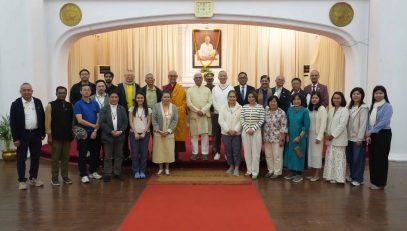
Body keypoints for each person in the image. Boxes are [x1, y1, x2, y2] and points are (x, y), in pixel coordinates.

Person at [10, 83, 45, 190]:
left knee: (35, 158)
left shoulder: (38, 102)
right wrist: (15, 138)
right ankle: (21, 180)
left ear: (32, 91)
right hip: (22, 135)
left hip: (35, 134)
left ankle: (33, 178)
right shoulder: (16, 104)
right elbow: (13, 122)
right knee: (21, 158)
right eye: (24, 90)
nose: (26, 92)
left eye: (29, 90)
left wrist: (42, 133)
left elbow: (42, 118)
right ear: (20, 92)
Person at [45, 86, 74, 186]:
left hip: (67, 136)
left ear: (66, 94)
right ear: (56, 93)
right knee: (55, 158)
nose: (62, 94)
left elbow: (72, 121)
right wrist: (49, 135)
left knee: (66, 158)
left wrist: (73, 133)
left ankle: (65, 176)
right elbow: (47, 122)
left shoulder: (70, 105)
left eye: (64, 93)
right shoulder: (50, 105)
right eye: (60, 92)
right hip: (56, 137)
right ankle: (54, 178)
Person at [366, 85, 393, 190]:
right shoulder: (373, 105)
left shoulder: (387, 106)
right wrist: (369, 133)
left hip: (383, 134)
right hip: (373, 134)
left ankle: (380, 183)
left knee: (381, 159)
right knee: (372, 158)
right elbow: (369, 121)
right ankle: (374, 182)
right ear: (373, 94)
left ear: (384, 94)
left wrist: (371, 132)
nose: (378, 95)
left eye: (380, 93)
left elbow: (384, 122)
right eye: (376, 93)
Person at [74, 84, 102, 183]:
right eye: (84, 90)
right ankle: (83, 174)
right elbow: (80, 120)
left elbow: (99, 117)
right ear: (81, 92)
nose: (86, 92)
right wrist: (93, 126)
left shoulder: (95, 103)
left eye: (88, 90)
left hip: (94, 133)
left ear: (91, 92)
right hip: (83, 133)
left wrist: (95, 130)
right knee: (83, 154)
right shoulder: (78, 104)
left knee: (95, 153)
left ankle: (93, 171)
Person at [99, 92, 128, 182]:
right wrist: (111, 131)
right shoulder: (104, 109)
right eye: (112, 97)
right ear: (109, 98)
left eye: (116, 97)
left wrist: (120, 131)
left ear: (118, 98)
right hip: (108, 136)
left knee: (119, 155)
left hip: (120, 136)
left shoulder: (122, 109)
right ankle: (107, 174)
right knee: (107, 156)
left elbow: (125, 122)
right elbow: (102, 123)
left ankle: (117, 173)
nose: (114, 99)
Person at [283, 93, 310, 183]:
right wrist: (287, 135)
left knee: (298, 154)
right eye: (294, 99)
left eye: (298, 99)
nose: (296, 101)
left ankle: (299, 174)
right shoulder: (290, 110)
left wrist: (300, 136)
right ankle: (292, 172)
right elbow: (287, 123)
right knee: (290, 154)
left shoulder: (305, 111)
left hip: (300, 137)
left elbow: (306, 126)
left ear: (301, 100)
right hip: (290, 136)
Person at [323, 92, 349, 184]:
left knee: (338, 159)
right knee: (331, 159)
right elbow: (327, 123)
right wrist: (326, 132)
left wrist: (333, 135)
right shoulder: (331, 110)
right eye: (334, 98)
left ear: (342, 99)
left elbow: (342, 125)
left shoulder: (344, 110)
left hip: (339, 138)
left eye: (338, 98)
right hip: (330, 139)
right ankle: (330, 176)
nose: (336, 100)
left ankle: (339, 178)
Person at [346, 87, 369, 186]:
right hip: (348, 137)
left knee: (358, 159)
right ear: (351, 95)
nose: (355, 95)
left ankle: (358, 178)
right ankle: (352, 175)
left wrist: (360, 138)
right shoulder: (349, 107)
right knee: (350, 158)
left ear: (362, 96)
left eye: (358, 94)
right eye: (354, 94)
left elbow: (363, 124)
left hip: (358, 138)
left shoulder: (363, 107)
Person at [162, 70, 188, 160]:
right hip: (167, 114)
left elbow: (185, 102)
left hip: (178, 114)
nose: (172, 77)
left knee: (177, 135)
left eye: (174, 76)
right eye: (170, 76)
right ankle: (168, 155)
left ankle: (176, 155)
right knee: (169, 134)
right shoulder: (164, 88)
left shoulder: (181, 89)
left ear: (176, 77)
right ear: (168, 77)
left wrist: (179, 109)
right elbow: (161, 101)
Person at [187, 73, 213, 160]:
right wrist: (197, 110)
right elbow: (189, 103)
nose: (198, 79)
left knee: (205, 135)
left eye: (200, 78)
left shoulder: (207, 90)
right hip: (194, 116)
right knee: (194, 136)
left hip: (204, 115)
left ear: (202, 79)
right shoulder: (189, 90)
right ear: (194, 79)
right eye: (196, 78)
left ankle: (205, 153)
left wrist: (203, 111)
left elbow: (210, 102)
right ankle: (195, 153)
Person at [152, 91, 178, 175]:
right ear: (161, 98)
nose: (166, 98)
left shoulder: (173, 107)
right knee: (159, 150)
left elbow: (175, 120)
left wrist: (169, 131)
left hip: (169, 133)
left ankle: (167, 168)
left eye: (168, 97)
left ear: (170, 98)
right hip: (158, 133)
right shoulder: (156, 106)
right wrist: (159, 131)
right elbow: (154, 120)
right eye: (165, 97)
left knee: (168, 150)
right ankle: (160, 168)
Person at [240, 91, 265, 179]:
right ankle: (249, 170)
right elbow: (241, 119)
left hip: (256, 132)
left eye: (253, 97)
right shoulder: (244, 107)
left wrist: (253, 129)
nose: (251, 98)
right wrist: (247, 129)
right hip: (246, 132)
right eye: (249, 97)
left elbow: (262, 120)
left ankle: (255, 172)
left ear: (256, 98)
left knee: (256, 153)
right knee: (247, 152)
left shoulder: (260, 107)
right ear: (248, 98)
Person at [117, 70, 141, 160]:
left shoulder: (138, 86)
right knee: (124, 135)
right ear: (124, 76)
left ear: (134, 77)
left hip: (135, 114)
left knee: (137, 133)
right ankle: (125, 153)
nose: (129, 77)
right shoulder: (119, 86)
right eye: (128, 75)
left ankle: (137, 153)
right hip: (123, 114)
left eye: (131, 76)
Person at [263, 96, 287, 179]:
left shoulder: (281, 112)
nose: (272, 103)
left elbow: (284, 126)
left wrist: (282, 138)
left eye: (274, 101)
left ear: (277, 103)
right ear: (268, 102)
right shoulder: (265, 111)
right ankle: (270, 170)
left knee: (277, 156)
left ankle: (277, 172)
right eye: (271, 101)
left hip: (277, 138)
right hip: (267, 137)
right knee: (268, 155)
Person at [219, 90, 242, 176]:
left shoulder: (240, 108)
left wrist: (235, 130)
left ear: (236, 98)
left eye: (234, 96)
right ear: (227, 98)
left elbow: (241, 120)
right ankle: (231, 166)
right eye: (230, 97)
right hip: (226, 133)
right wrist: (227, 130)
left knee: (236, 151)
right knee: (228, 151)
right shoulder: (223, 107)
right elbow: (221, 120)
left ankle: (236, 167)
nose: (232, 98)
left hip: (237, 134)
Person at [212, 71, 234, 160]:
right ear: (218, 77)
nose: (223, 77)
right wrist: (220, 111)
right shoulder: (215, 88)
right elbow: (213, 101)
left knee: (227, 135)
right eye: (221, 76)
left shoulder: (231, 87)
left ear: (227, 77)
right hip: (217, 115)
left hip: (228, 115)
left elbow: (232, 101)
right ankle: (217, 152)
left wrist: (224, 111)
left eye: (224, 76)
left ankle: (227, 153)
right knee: (217, 135)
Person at [129, 92, 152, 179]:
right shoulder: (131, 109)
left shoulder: (148, 109)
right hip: (133, 133)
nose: (140, 99)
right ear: (135, 99)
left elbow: (149, 122)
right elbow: (131, 121)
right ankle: (136, 171)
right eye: (138, 98)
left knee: (144, 153)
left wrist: (144, 132)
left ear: (144, 99)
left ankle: (142, 170)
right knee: (134, 153)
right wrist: (135, 132)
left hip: (145, 133)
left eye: (141, 98)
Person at [306, 92, 327, 182]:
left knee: (317, 155)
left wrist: (319, 137)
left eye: (316, 98)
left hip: (317, 135)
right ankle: (312, 173)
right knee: (311, 155)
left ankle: (317, 175)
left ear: (319, 99)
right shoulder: (309, 108)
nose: (314, 99)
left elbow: (323, 124)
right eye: (313, 98)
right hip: (309, 135)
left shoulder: (322, 109)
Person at [140, 73, 162, 139]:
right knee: (145, 131)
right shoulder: (141, 90)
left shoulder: (159, 91)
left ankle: (155, 148)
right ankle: (145, 149)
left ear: (154, 80)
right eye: (148, 78)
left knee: (155, 132)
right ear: (145, 81)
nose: (150, 79)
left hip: (156, 114)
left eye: (151, 78)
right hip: (145, 113)